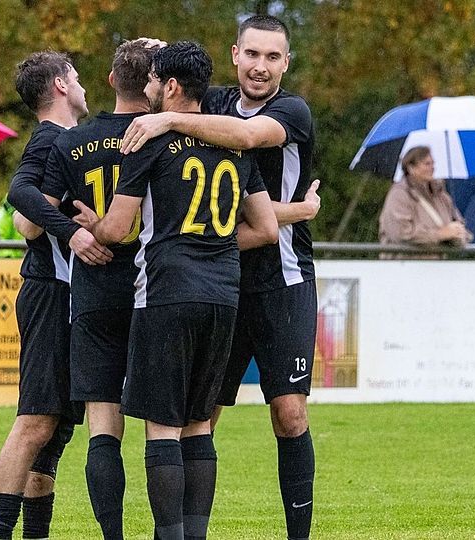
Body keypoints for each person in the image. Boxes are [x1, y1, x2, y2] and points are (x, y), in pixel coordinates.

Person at [120, 16, 320, 539]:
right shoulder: (213, 104)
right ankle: (186, 530)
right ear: (235, 55)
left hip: (282, 278)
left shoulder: (290, 110)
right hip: (219, 280)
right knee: (198, 416)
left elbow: (249, 137)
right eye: (252, 54)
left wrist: (167, 121)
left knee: (289, 413)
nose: (261, 66)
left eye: (273, 57)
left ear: (286, 63)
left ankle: (298, 533)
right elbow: (183, 90)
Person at [74, 41, 278, 540]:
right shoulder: (233, 143)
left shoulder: (149, 140)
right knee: (198, 426)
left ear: (169, 86)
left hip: (166, 292)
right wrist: (215, 244)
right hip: (223, 294)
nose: (146, 91)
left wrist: (91, 227)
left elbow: (120, 227)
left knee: (162, 428)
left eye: (152, 82)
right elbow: (268, 229)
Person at [38, 37, 164, 540]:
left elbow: (35, 215)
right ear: (154, 85)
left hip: (93, 293)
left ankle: (113, 536)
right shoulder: (161, 138)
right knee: (163, 431)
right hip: (151, 288)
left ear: (111, 80)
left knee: (103, 429)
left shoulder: (71, 143)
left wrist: (76, 226)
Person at [0, 50, 99, 540]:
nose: (81, 86)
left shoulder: (69, 141)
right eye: (75, 77)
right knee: (34, 422)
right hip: (50, 293)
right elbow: (21, 202)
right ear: (59, 86)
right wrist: (70, 233)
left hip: (67, 296)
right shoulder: (53, 138)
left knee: (53, 432)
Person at [378, 146, 472, 251]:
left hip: (437, 265)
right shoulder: (399, 195)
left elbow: (460, 228)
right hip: (405, 264)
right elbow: (400, 233)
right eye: (427, 164)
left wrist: (458, 234)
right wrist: (440, 234)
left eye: (433, 163)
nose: (432, 167)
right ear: (410, 168)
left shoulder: (441, 196)